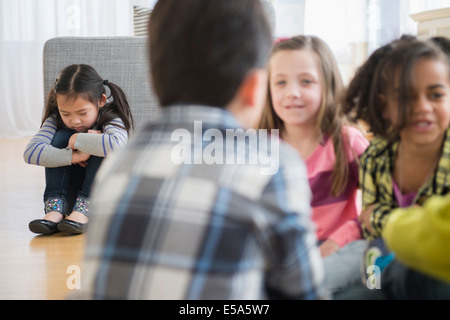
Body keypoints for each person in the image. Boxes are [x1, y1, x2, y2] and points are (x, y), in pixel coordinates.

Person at [73, 0, 328, 300]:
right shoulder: (272, 165)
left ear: (154, 82)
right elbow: (306, 292)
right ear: (255, 88)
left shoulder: (118, 163)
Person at [258, 35, 369, 293]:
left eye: (306, 81)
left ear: (327, 86)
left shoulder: (347, 143)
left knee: (367, 253)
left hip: (337, 250)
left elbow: (380, 205)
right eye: (280, 82)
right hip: (283, 259)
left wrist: (338, 241)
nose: (292, 93)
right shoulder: (258, 148)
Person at [340, 38, 450, 298]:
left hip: (435, 271)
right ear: (385, 106)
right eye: (406, 97)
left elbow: (436, 232)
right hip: (382, 266)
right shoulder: (374, 158)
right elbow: (368, 227)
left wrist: (384, 217)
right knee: (356, 295)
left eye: (435, 95)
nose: (422, 107)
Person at [24, 64, 134, 235]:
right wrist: (74, 156)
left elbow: (118, 146)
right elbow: (30, 153)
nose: (75, 121)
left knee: (100, 143)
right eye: (66, 114)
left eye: (82, 113)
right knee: (60, 137)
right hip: (70, 198)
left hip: (103, 198)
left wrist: (79, 140)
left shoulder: (111, 118)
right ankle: (55, 210)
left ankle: (84, 211)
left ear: (101, 101)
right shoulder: (54, 120)